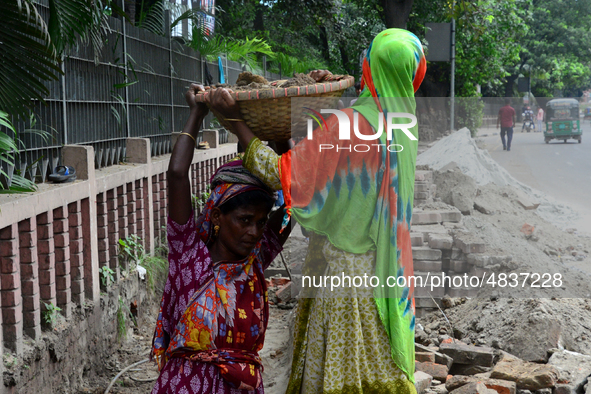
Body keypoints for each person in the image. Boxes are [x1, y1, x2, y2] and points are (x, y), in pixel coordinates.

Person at [205, 28, 426, 393]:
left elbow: (282, 174)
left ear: (371, 67)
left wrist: (233, 119)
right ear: (411, 75)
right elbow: (325, 162)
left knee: (340, 376)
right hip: (383, 272)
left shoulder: (349, 124)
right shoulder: (403, 125)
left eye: (366, 57)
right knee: (376, 368)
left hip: (343, 276)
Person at [150, 83, 291, 394]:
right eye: (244, 221)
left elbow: (297, 198)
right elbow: (176, 174)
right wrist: (197, 113)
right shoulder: (190, 255)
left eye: (260, 222)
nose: (254, 232)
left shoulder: (256, 258)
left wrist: (281, 134)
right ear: (216, 216)